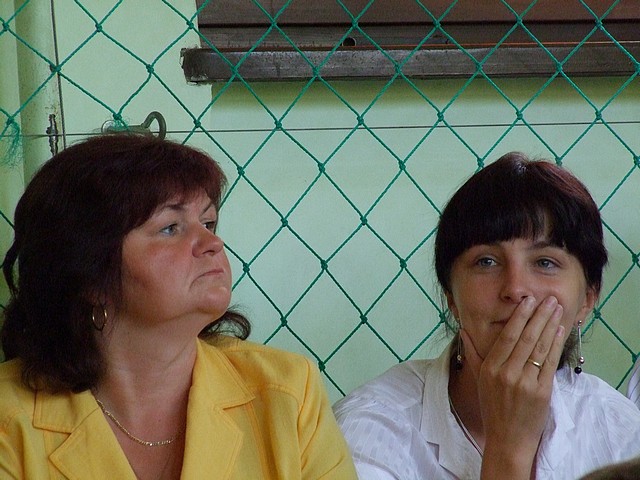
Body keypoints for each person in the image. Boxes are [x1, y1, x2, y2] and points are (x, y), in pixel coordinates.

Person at [0, 134, 357, 479]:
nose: (212, 242)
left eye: (208, 222)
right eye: (170, 228)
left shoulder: (289, 393)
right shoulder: (8, 419)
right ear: (88, 273)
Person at [333, 152, 640, 480]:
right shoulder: (369, 429)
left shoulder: (619, 429)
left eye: (545, 262)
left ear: (588, 299)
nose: (515, 289)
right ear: (451, 297)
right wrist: (509, 446)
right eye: (486, 262)